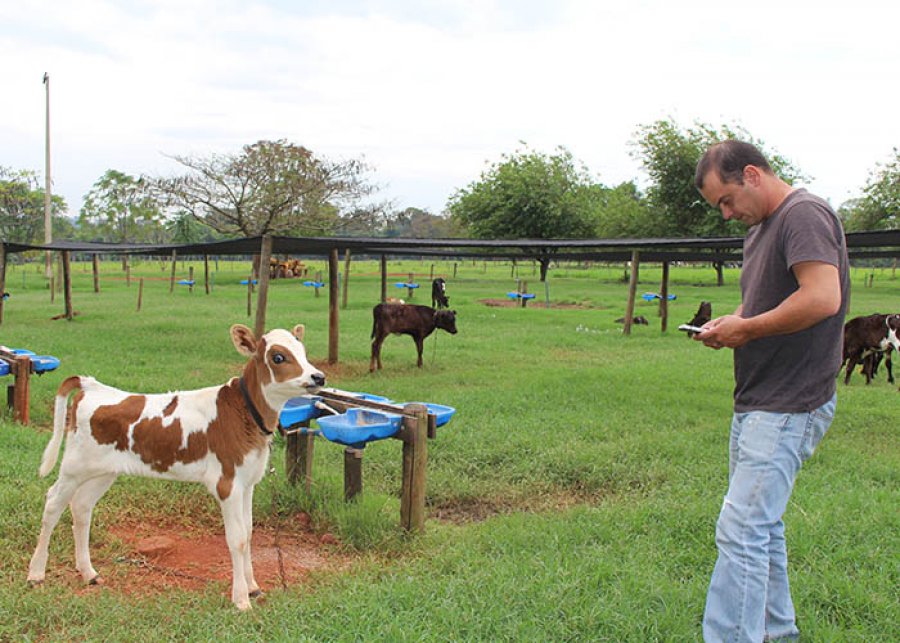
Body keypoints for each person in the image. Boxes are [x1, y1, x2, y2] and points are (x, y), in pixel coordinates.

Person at [692, 140, 850, 642]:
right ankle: (778, 633)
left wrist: (750, 329)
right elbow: (764, 304)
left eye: (726, 200)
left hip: (789, 402)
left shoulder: (803, 215)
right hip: (760, 398)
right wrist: (733, 324)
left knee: (740, 531)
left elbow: (823, 297)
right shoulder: (760, 228)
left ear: (753, 175)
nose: (725, 213)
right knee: (761, 527)